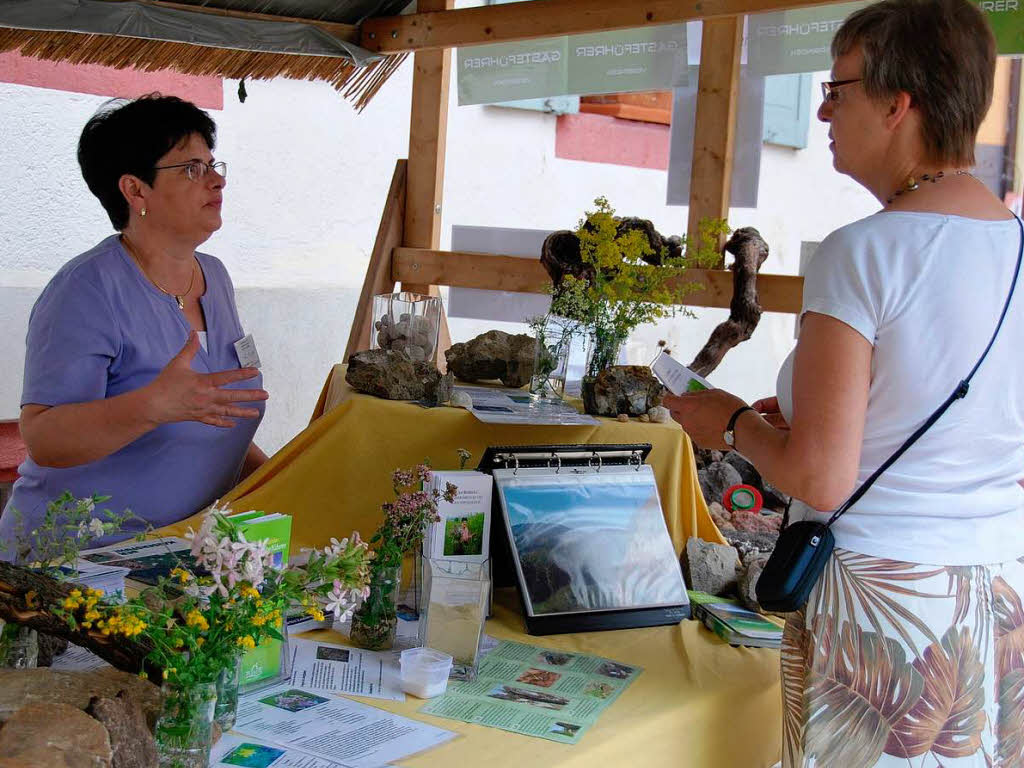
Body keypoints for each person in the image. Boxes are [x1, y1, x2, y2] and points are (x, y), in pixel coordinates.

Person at [665, 1, 1024, 765]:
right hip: (994, 590)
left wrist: (730, 424)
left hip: (882, 601)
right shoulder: (1016, 247)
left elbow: (820, 476)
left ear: (899, 104)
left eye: (839, 88)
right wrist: (796, 417)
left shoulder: (864, 252)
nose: (823, 108)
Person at [0, 95, 269, 549]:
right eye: (191, 168)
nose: (216, 181)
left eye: (212, 164)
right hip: (76, 565)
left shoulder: (215, 278)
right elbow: (44, 437)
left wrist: (286, 482)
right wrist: (151, 407)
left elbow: (220, 416)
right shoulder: (85, 290)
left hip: (182, 553)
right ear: (135, 190)